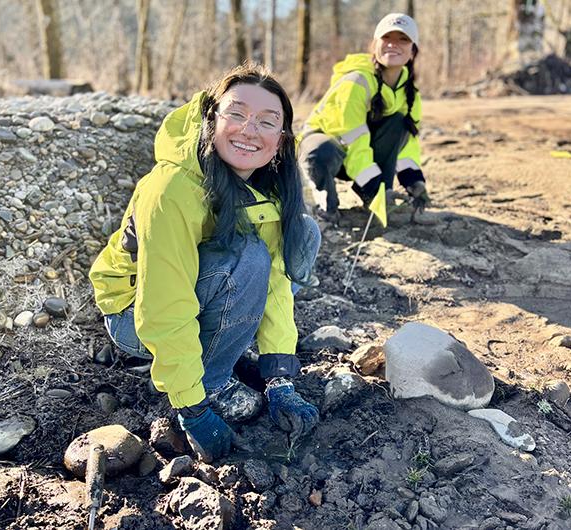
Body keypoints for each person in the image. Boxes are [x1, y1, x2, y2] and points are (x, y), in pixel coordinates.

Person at [89, 64, 320, 463]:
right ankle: (210, 380)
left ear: (281, 140)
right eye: (237, 114)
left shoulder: (266, 185)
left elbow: (277, 284)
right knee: (248, 258)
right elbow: (163, 303)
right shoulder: (172, 190)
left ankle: (221, 350)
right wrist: (193, 409)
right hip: (135, 314)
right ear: (211, 118)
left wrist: (280, 376)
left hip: (196, 294)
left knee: (303, 233)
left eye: (267, 122)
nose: (249, 131)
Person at [298, 13, 430, 227]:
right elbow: (353, 138)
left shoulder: (410, 93)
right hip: (331, 150)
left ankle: (378, 197)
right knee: (319, 152)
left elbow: (407, 143)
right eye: (387, 38)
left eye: (403, 39)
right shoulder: (356, 82)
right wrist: (373, 187)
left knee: (398, 123)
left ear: (413, 50)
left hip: (360, 154)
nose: (393, 45)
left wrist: (413, 180)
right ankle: (325, 207)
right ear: (374, 44)